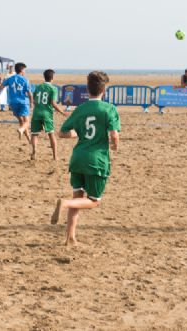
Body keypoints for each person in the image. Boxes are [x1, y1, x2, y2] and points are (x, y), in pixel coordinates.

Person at [51, 71, 120, 246]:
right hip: (96, 160)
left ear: (87, 89)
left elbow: (62, 132)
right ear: (104, 90)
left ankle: (70, 238)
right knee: (93, 200)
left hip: (78, 157)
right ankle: (64, 203)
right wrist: (115, 145)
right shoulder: (109, 109)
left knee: (78, 196)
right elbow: (114, 134)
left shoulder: (80, 109)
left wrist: (77, 134)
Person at [30, 69, 69, 160]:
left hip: (36, 113)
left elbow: (34, 99)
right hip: (46, 114)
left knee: (34, 134)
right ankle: (55, 156)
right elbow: (53, 103)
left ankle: (34, 151)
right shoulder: (53, 88)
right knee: (51, 134)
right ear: (52, 78)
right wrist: (62, 112)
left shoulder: (38, 87)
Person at [0, 62, 33, 141]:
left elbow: (0, 88)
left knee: (21, 121)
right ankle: (21, 130)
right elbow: (30, 94)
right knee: (27, 122)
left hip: (12, 103)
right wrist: (31, 103)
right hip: (23, 102)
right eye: (25, 70)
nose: (25, 72)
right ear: (21, 70)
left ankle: (28, 138)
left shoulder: (9, 79)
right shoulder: (25, 80)